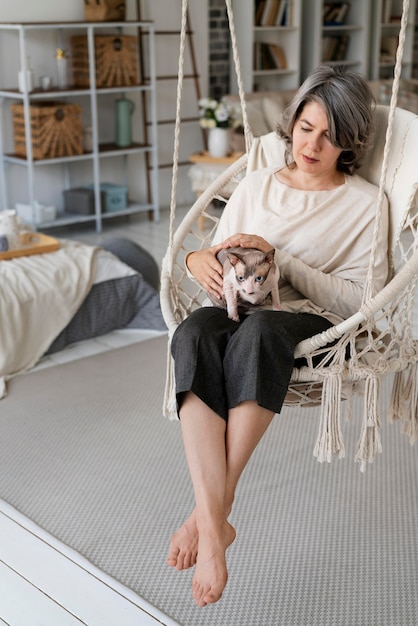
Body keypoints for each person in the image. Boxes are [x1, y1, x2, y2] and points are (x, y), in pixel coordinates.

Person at [166, 65, 389, 607]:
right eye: (305, 127)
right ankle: (218, 522)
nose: (312, 144)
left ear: (350, 141)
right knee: (194, 332)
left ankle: (208, 518)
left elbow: (363, 303)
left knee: (262, 330)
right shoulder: (260, 183)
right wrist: (198, 259)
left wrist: (280, 260)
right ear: (291, 125)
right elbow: (216, 254)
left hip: (313, 320)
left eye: (330, 135)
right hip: (239, 307)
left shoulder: (365, 204)